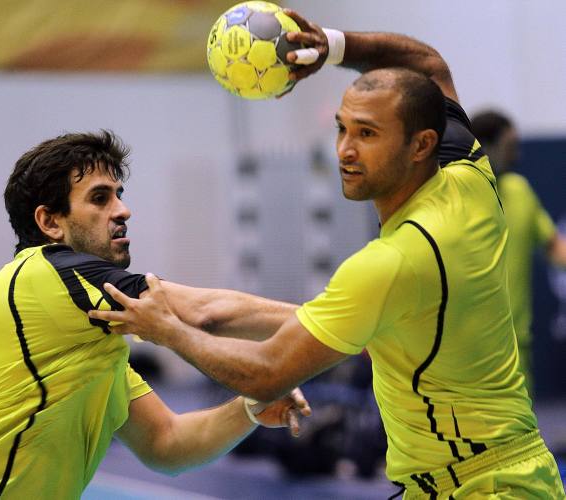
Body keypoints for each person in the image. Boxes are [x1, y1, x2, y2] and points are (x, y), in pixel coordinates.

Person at [91, 13, 566, 499]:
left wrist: (166, 332)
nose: (345, 150)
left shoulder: (393, 261)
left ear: (422, 144)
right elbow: (427, 62)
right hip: (487, 474)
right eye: (343, 129)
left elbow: (268, 371)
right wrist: (332, 47)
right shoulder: (469, 177)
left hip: (482, 487)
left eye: (367, 134)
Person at [0, 131, 311, 499]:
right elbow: (204, 314)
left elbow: (166, 444)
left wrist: (248, 409)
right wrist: (342, 324)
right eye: (100, 198)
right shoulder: (44, 274)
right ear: (50, 222)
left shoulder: (93, 338)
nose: (122, 210)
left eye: (119, 193)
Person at [471, 110, 566, 392]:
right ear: (485, 147)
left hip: (517, 347)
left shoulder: (520, 190)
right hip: (467, 353)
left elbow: (555, 248)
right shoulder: (453, 194)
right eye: (510, 147)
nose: (517, 156)